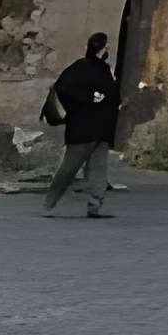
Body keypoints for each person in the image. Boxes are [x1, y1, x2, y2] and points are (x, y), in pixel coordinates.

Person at [43, 32, 119, 219]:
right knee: (74, 168)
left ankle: (93, 204)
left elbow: (63, 88)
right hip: (88, 128)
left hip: (91, 128)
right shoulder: (92, 70)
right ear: (103, 50)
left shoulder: (82, 68)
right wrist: (92, 99)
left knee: (94, 168)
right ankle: (52, 203)